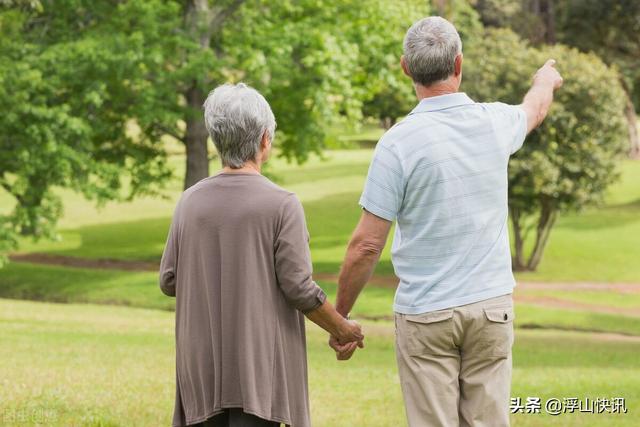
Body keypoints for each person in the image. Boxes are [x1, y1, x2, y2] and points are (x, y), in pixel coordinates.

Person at [329, 16, 563, 427]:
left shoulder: (397, 143)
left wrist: (340, 318)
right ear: (459, 64)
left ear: (406, 68)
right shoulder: (494, 122)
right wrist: (545, 79)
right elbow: (535, 107)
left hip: (427, 314)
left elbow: (366, 246)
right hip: (491, 309)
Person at [159, 83, 364, 427]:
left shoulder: (189, 202)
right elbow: (298, 287)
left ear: (216, 139)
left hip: (201, 370)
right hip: (260, 373)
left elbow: (169, 280)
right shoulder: (282, 204)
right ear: (265, 139)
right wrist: (342, 328)